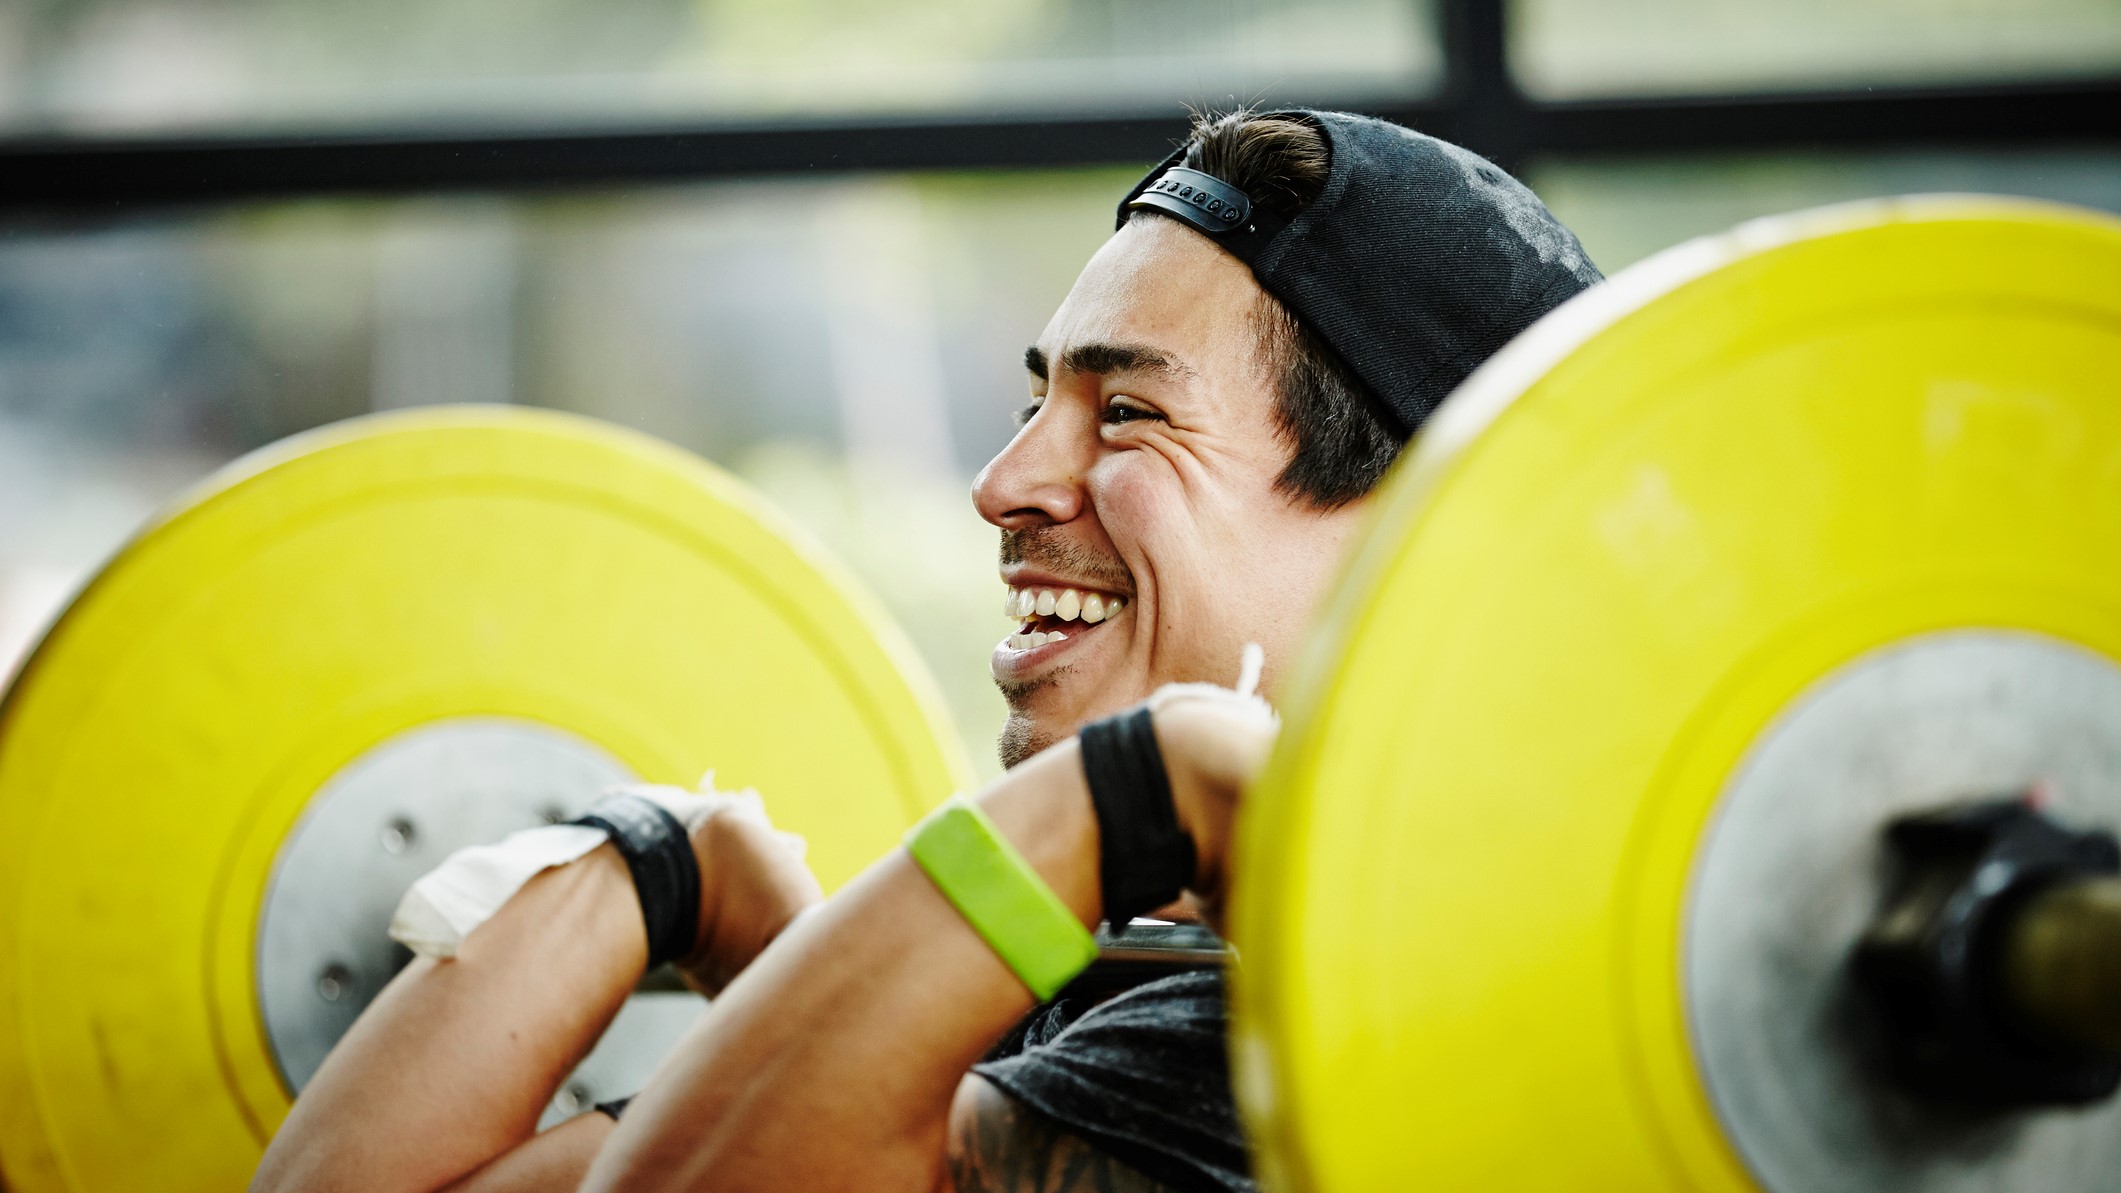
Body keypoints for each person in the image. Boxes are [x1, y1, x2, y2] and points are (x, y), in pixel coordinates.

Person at [250, 107, 1600, 1193]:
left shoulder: (1265, 1042)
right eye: (1035, 400)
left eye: (1124, 411)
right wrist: (692, 874)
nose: (1003, 480)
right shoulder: (1137, 982)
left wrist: (1134, 786)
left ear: (1411, 532)